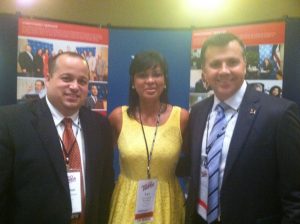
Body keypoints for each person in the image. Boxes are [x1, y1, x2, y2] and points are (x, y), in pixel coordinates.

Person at [183, 33, 300, 224]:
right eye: (215, 64)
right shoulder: (197, 112)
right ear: (204, 71)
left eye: (232, 62)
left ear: (244, 65)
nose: (224, 71)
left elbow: (295, 197)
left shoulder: (279, 114)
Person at [0, 52, 114, 223]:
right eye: (66, 78)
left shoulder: (101, 127)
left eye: (82, 81)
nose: (75, 86)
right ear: (48, 78)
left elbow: (105, 191)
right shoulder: (11, 122)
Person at [108, 51, 189, 224]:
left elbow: (193, 162)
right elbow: (101, 164)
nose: (150, 80)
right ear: (133, 82)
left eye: (157, 74)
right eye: (142, 75)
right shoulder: (118, 117)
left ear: (165, 80)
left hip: (166, 201)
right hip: (127, 199)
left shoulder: (181, 117)